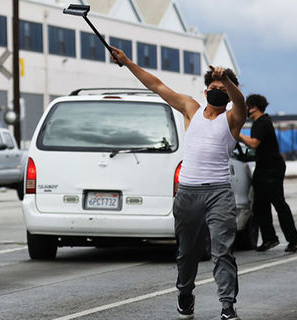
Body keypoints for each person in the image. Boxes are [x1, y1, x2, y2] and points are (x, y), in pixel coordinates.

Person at [110, 47, 246, 320]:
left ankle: (227, 307)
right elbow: (157, 86)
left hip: (219, 193)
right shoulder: (191, 109)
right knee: (187, 252)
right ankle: (185, 293)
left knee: (223, 252)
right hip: (188, 192)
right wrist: (126, 62)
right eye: (215, 86)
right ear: (206, 91)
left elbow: (240, 102)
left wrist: (228, 81)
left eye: (224, 88)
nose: (219, 90)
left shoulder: (232, 118)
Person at [239, 94, 297, 253]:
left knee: (279, 204)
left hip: (272, 169)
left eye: (247, 105)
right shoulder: (259, 123)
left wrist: (237, 134)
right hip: (262, 167)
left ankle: (293, 240)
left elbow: (253, 143)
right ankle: (269, 239)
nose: (246, 109)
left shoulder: (262, 122)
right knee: (259, 206)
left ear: (254, 107)